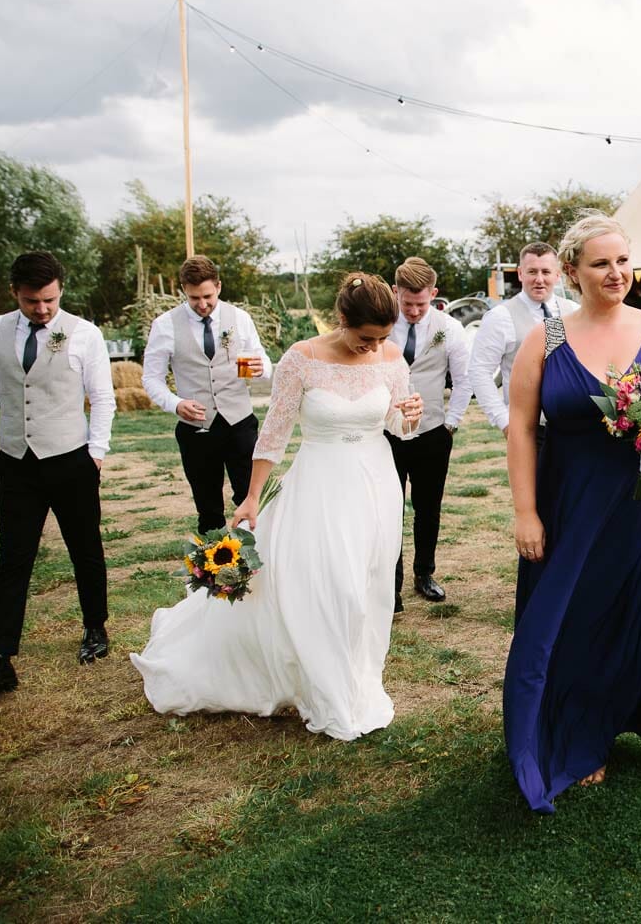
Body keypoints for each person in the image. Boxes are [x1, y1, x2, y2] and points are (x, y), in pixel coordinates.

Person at [130, 273, 424, 740]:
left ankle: (357, 676)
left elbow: (395, 424)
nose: (373, 347)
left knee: (368, 585)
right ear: (342, 318)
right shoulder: (302, 358)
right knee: (335, 585)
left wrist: (409, 417)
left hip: (376, 484)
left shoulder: (390, 357)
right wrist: (251, 497)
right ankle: (326, 687)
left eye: (382, 338)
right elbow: (274, 432)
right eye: (366, 337)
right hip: (321, 485)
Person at [503, 211, 641, 813]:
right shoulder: (546, 340)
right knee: (581, 620)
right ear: (573, 271)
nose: (616, 273)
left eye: (623, 260)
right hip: (571, 501)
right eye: (601, 263)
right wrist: (526, 513)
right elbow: (521, 428)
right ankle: (583, 735)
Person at [0, 251, 115, 691]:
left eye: (49, 300)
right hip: (16, 464)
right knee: (13, 559)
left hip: (71, 459)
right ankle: (0, 659)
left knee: (85, 548)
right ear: (15, 293)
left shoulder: (85, 334)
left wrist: (95, 453)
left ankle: (95, 628)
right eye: (31, 301)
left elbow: (102, 397)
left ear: (60, 290)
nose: (42, 309)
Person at [142, 256, 273, 535]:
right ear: (183, 290)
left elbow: (263, 360)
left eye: (207, 297)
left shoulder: (240, 318)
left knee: (250, 498)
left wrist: (262, 368)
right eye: (194, 298)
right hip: (196, 429)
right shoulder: (165, 325)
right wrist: (176, 404)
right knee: (208, 506)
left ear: (219, 287)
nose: (202, 304)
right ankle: (215, 559)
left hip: (240, 423)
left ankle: (255, 554)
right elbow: (151, 378)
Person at [387, 257, 470, 610]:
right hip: (386, 433)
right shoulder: (381, 321)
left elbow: (464, 380)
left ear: (433, 294)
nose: (414, 311)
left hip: (433, 431)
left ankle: (424, 573)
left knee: (428, 508)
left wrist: (451, 423)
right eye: (407, 303)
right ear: (395, 292)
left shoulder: (450, 328)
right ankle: (390, 585)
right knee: (388, 510)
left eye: (421, 304)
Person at [467, 242, 578, 436]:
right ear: (520, 274)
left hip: (574, 425)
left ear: (557, 275)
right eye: (532, 272)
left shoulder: (575, 311)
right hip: (528, 429)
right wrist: (504, 421)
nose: (539, 279)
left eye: (546, 272)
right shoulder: (500, 317)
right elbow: (480, 371)